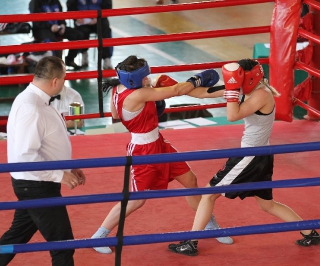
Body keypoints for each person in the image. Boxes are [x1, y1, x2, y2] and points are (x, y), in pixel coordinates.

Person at [168, 59, 320, 256]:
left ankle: (191, 243)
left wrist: (232, 90)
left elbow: (233, 115)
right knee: (267, 205)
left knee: (208, 194)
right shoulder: (242, 88)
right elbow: (200, 94)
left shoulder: (262, 95)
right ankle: (310, 232)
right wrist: (180, 85)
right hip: (261, 154)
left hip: (251, 156)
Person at [90, 55, 233, 254]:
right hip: (142, 152)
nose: (148, 78)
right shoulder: (137, 95)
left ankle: (209, 224)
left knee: (190, 180)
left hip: (159, 143)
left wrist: (143, 113)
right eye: (145, 77)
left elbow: (115, 116)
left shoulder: (118, 89)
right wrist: (197, 79)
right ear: (134, 80)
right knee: (136, 200)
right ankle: (99, 235)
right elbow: (176, 91)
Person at [0, 56, 87, 266]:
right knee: (63, 245)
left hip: (35, 183)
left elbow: (44, 144)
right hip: (37, 185)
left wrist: (68, 165)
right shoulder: (32, 107)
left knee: (16, 236)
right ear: (55, 81)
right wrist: (60, 174)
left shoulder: (34, 100)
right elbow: (26, 155)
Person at [29, 0, 85, 70]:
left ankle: (70, 60)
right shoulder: (35, 2)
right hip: (41, 29)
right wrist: (50, 27)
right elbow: (36, 20)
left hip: (57, 27)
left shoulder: (55, 1)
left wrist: (62, 24)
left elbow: (61, 15)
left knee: (77, 35)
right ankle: (57, 67)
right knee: (53, 42)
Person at [66, 0, 114, 70]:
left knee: (106, 30)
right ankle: (84, 53)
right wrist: (76, 17)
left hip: (99, 19)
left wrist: (99, 16)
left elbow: (108, 6)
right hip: (82, 20)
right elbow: (70, 6)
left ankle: (107, 58)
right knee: (81, 32)